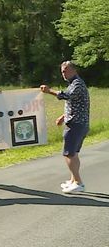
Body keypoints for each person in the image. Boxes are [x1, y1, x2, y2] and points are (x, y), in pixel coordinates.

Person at [40, 61, 90, 193]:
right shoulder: (73, 84)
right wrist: (63, 116)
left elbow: (67, 96)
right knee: (74, 153)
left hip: (75, 125)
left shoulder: (77, 84)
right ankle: (73, 180)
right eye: (62, 71)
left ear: (74, 70)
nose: (64, 73)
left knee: (69, 154)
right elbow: (75, 104)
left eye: (66, 70)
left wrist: (49, 91)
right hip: (78, 122)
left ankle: (79, 182)